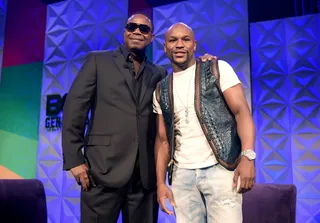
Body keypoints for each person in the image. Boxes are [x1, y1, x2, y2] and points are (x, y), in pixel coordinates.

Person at [62, 13, 215, 223]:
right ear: (125, 31)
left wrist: (202, 65)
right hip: (101, 171)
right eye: (131, 26)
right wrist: (74, 159)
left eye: (144, 29)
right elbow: (74, 110)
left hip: (144, 176)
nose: (137, 31)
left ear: (151, 38)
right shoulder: (98, 61)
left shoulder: (159, 74)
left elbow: (180, 88)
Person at [153, 22, 256, 223]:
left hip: (221, 169)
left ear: (194, 45)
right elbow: (162, 140)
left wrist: (248, 156)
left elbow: (241, 112)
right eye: (173, 40)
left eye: (186, 39)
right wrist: (161, 183)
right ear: (165, 47)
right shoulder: (161, 89)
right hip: (182, 176)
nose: (180, 44)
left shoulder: (217, 69)